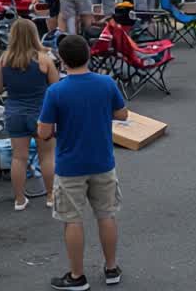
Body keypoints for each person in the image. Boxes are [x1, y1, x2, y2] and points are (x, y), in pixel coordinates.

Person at [37, 34, 127, 290]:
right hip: (102, 160)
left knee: (72, 219)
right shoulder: (106, 83)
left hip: (70, 164)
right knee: (106, 215)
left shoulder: (56, 91)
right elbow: (122, 113)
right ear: (89, 54)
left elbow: (44, 132)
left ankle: (77, 275)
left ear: (62, 60)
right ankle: (111, 268)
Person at [0, 19, 58, 211]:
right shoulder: (44, 59)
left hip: (15, 112)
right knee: (47, 156)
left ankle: (19, 199)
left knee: (18, 157)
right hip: (41, 112)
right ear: (34, 35)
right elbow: (55, 88)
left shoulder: (4, 59)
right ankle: (50, 196)